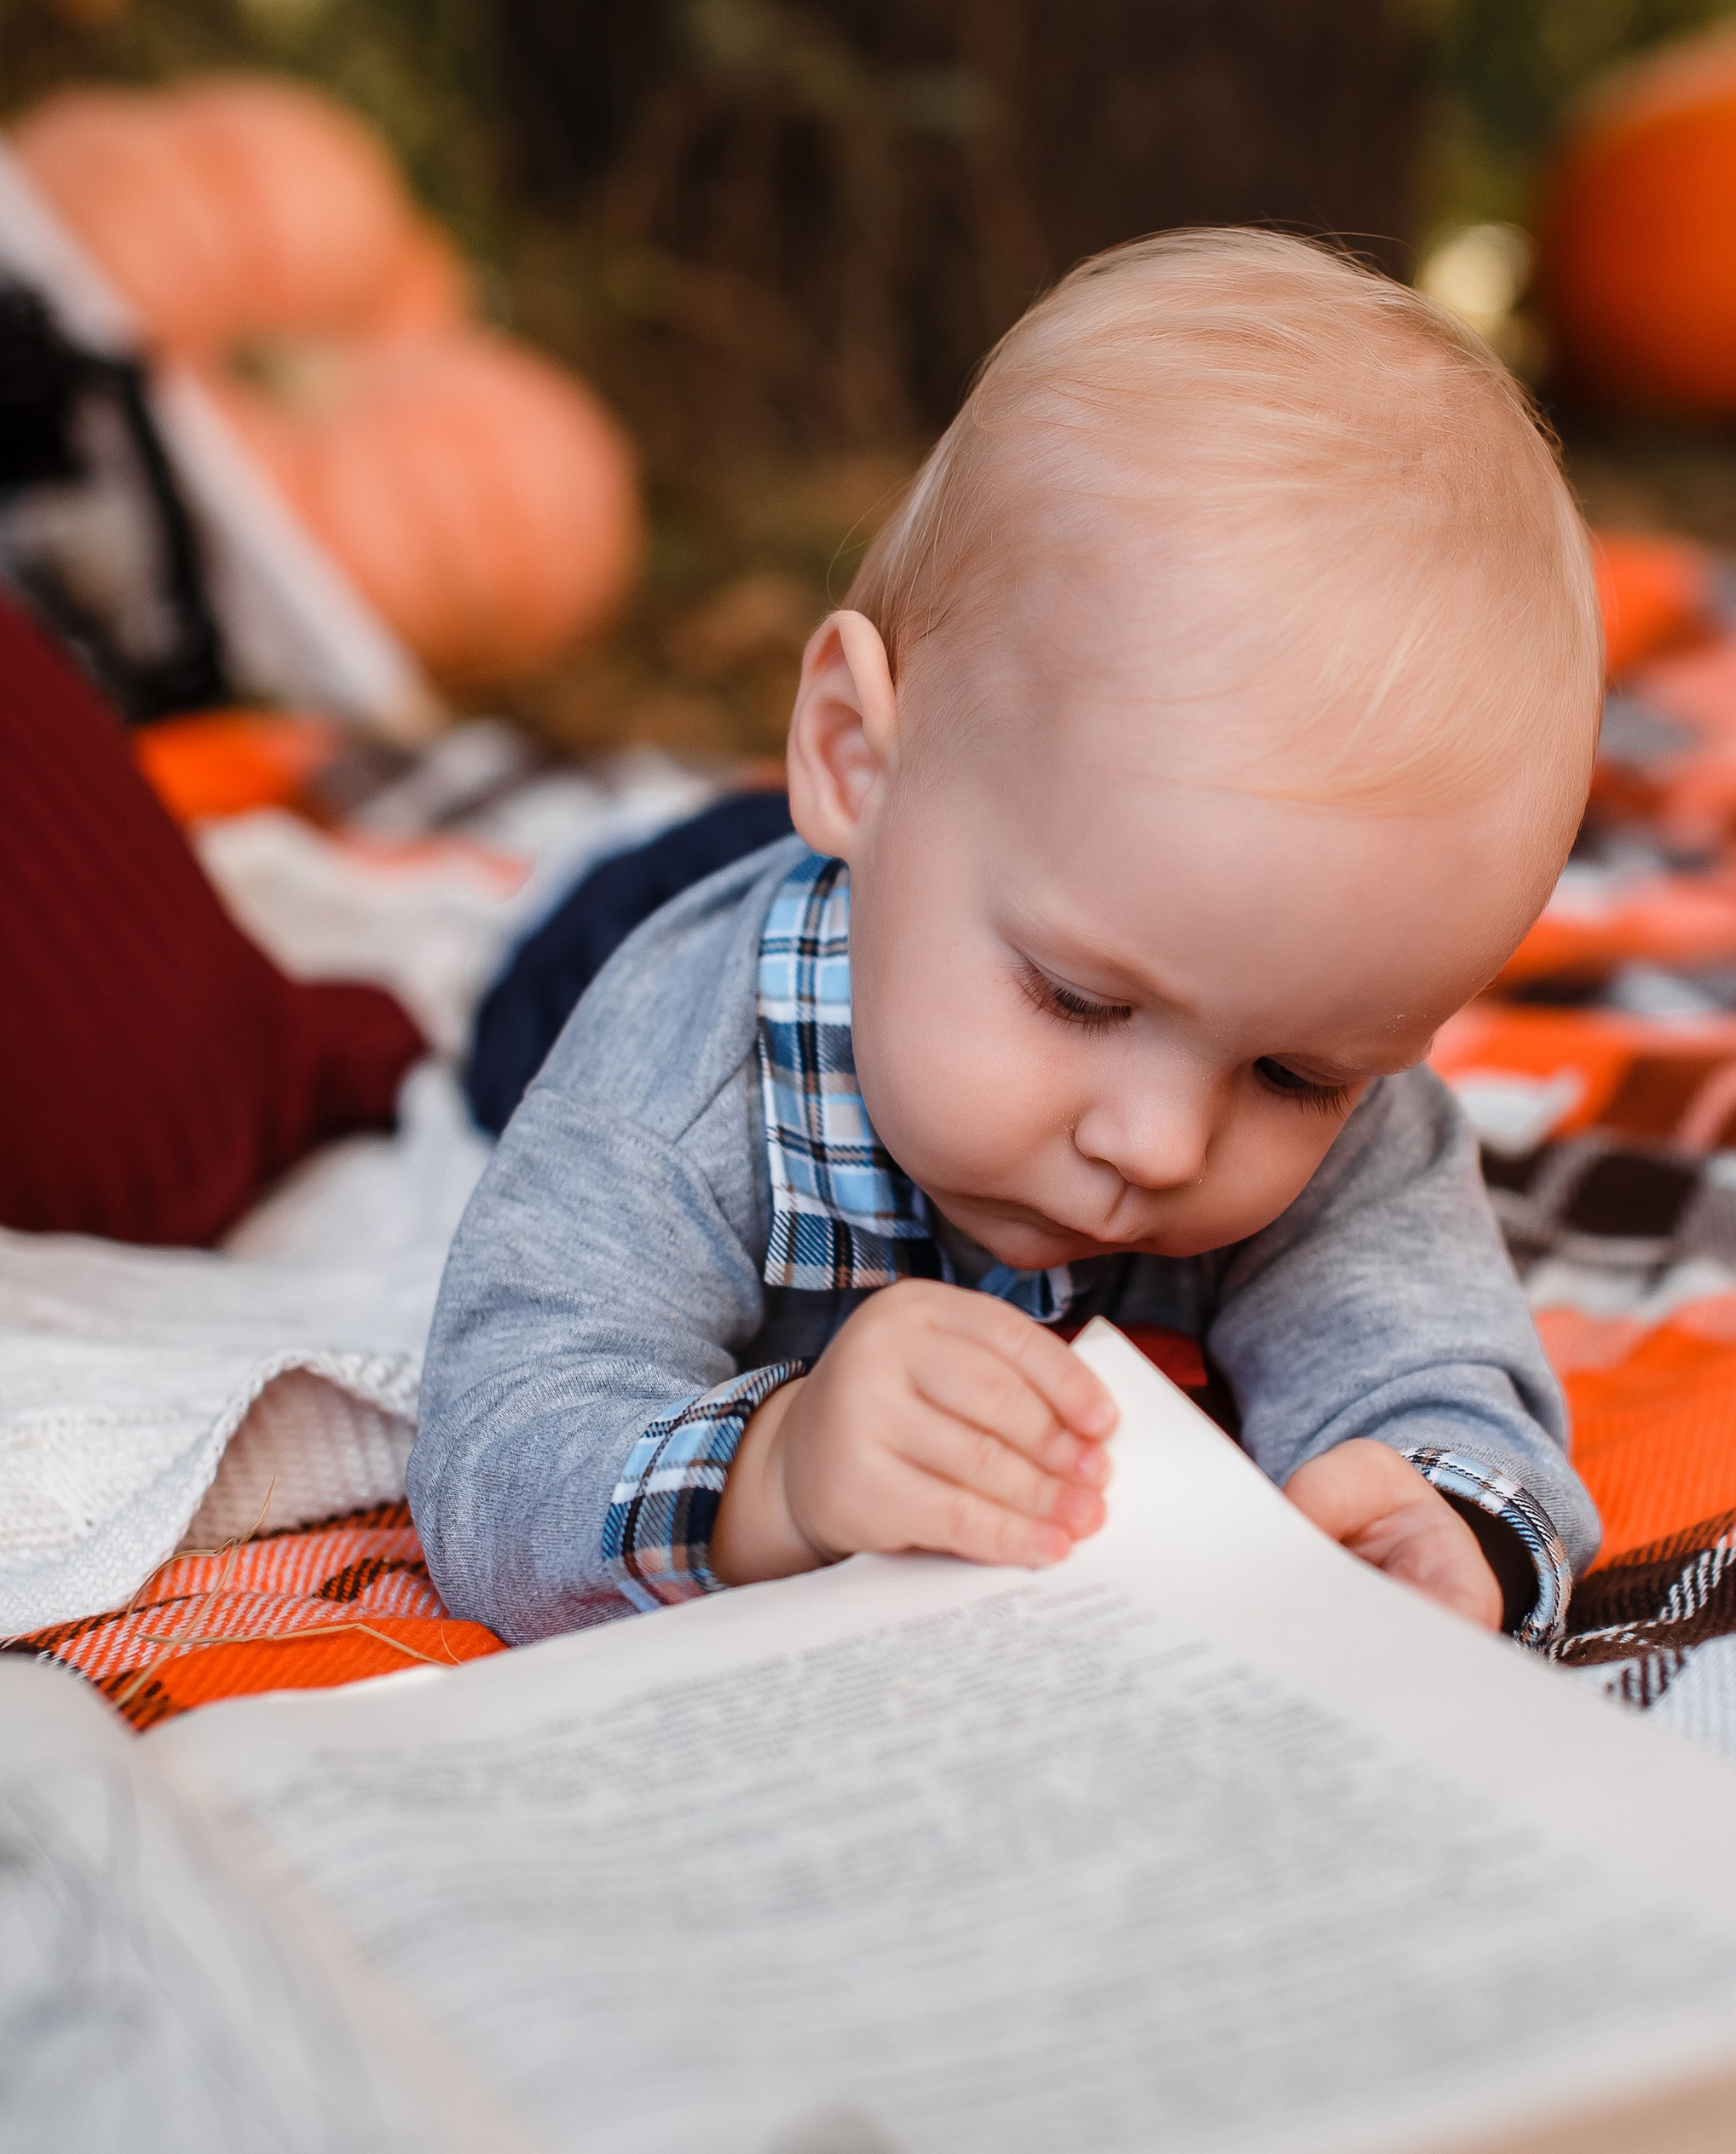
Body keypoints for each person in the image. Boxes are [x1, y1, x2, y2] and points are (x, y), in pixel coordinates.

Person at [410, 228, 1602, 1649]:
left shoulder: (1320, 1057)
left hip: (929, 858)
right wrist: (774, 1477)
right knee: (527, 1009)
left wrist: (1443, 1516)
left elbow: (1444, 1377)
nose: (1158, 1147)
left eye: (1292, 1076)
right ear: (854, 754)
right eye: (1080, 999)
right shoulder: (670, 1078)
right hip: (689, 913)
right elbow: (500, 1441)